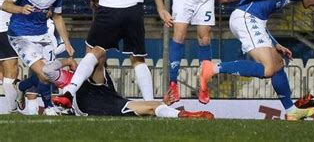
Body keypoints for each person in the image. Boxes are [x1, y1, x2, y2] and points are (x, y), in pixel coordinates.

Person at [199, 0, 314, 120]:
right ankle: (212, 68)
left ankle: (292, 110)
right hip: (246, 17)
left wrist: (275, 44)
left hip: (255, 20)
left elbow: (261, 16)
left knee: (278, 65)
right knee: (268, 69)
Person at [2, 0, 75, 115]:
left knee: (48, 72)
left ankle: (23, 88)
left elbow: (57, 17)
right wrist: (20, 9)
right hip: (20, 35)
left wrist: (67, 42)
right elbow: (5, 4)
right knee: (44, 73)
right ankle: (49, 106)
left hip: (42, 35)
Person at [68, 64, 213, 119]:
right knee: (152, 107)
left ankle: (181, 114)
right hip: (111, 106)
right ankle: (185, 115)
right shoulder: (92, 79)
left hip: (111, 105)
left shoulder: (92, 83)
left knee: (153, 107)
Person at [0, 0, 19, 113]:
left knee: (9, 68)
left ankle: (11, 107)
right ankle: (11, 108)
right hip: (2, 25)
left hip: (4, 23)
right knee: (11, 67)